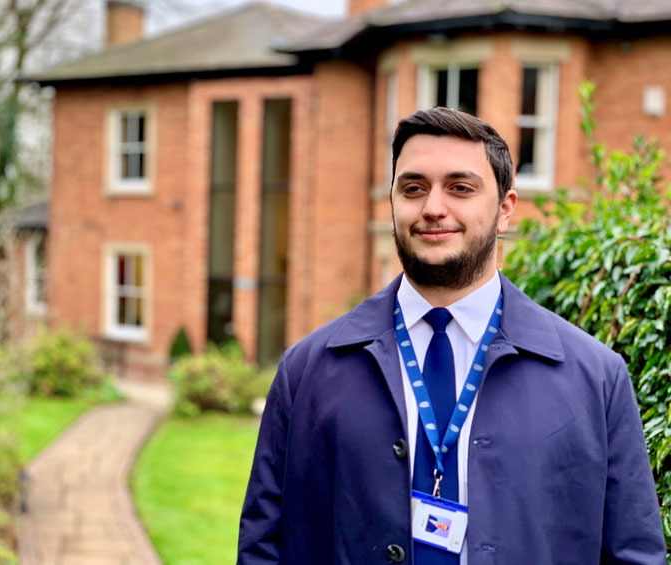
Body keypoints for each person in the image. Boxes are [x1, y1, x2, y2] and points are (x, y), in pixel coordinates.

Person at [237, 107, 665, 564]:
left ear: (504, 210)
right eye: (413, 188)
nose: (433, 207)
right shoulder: (307, 370)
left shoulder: (595, 378)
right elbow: (264, 546)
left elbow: (633, 554)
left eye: (460, 188)